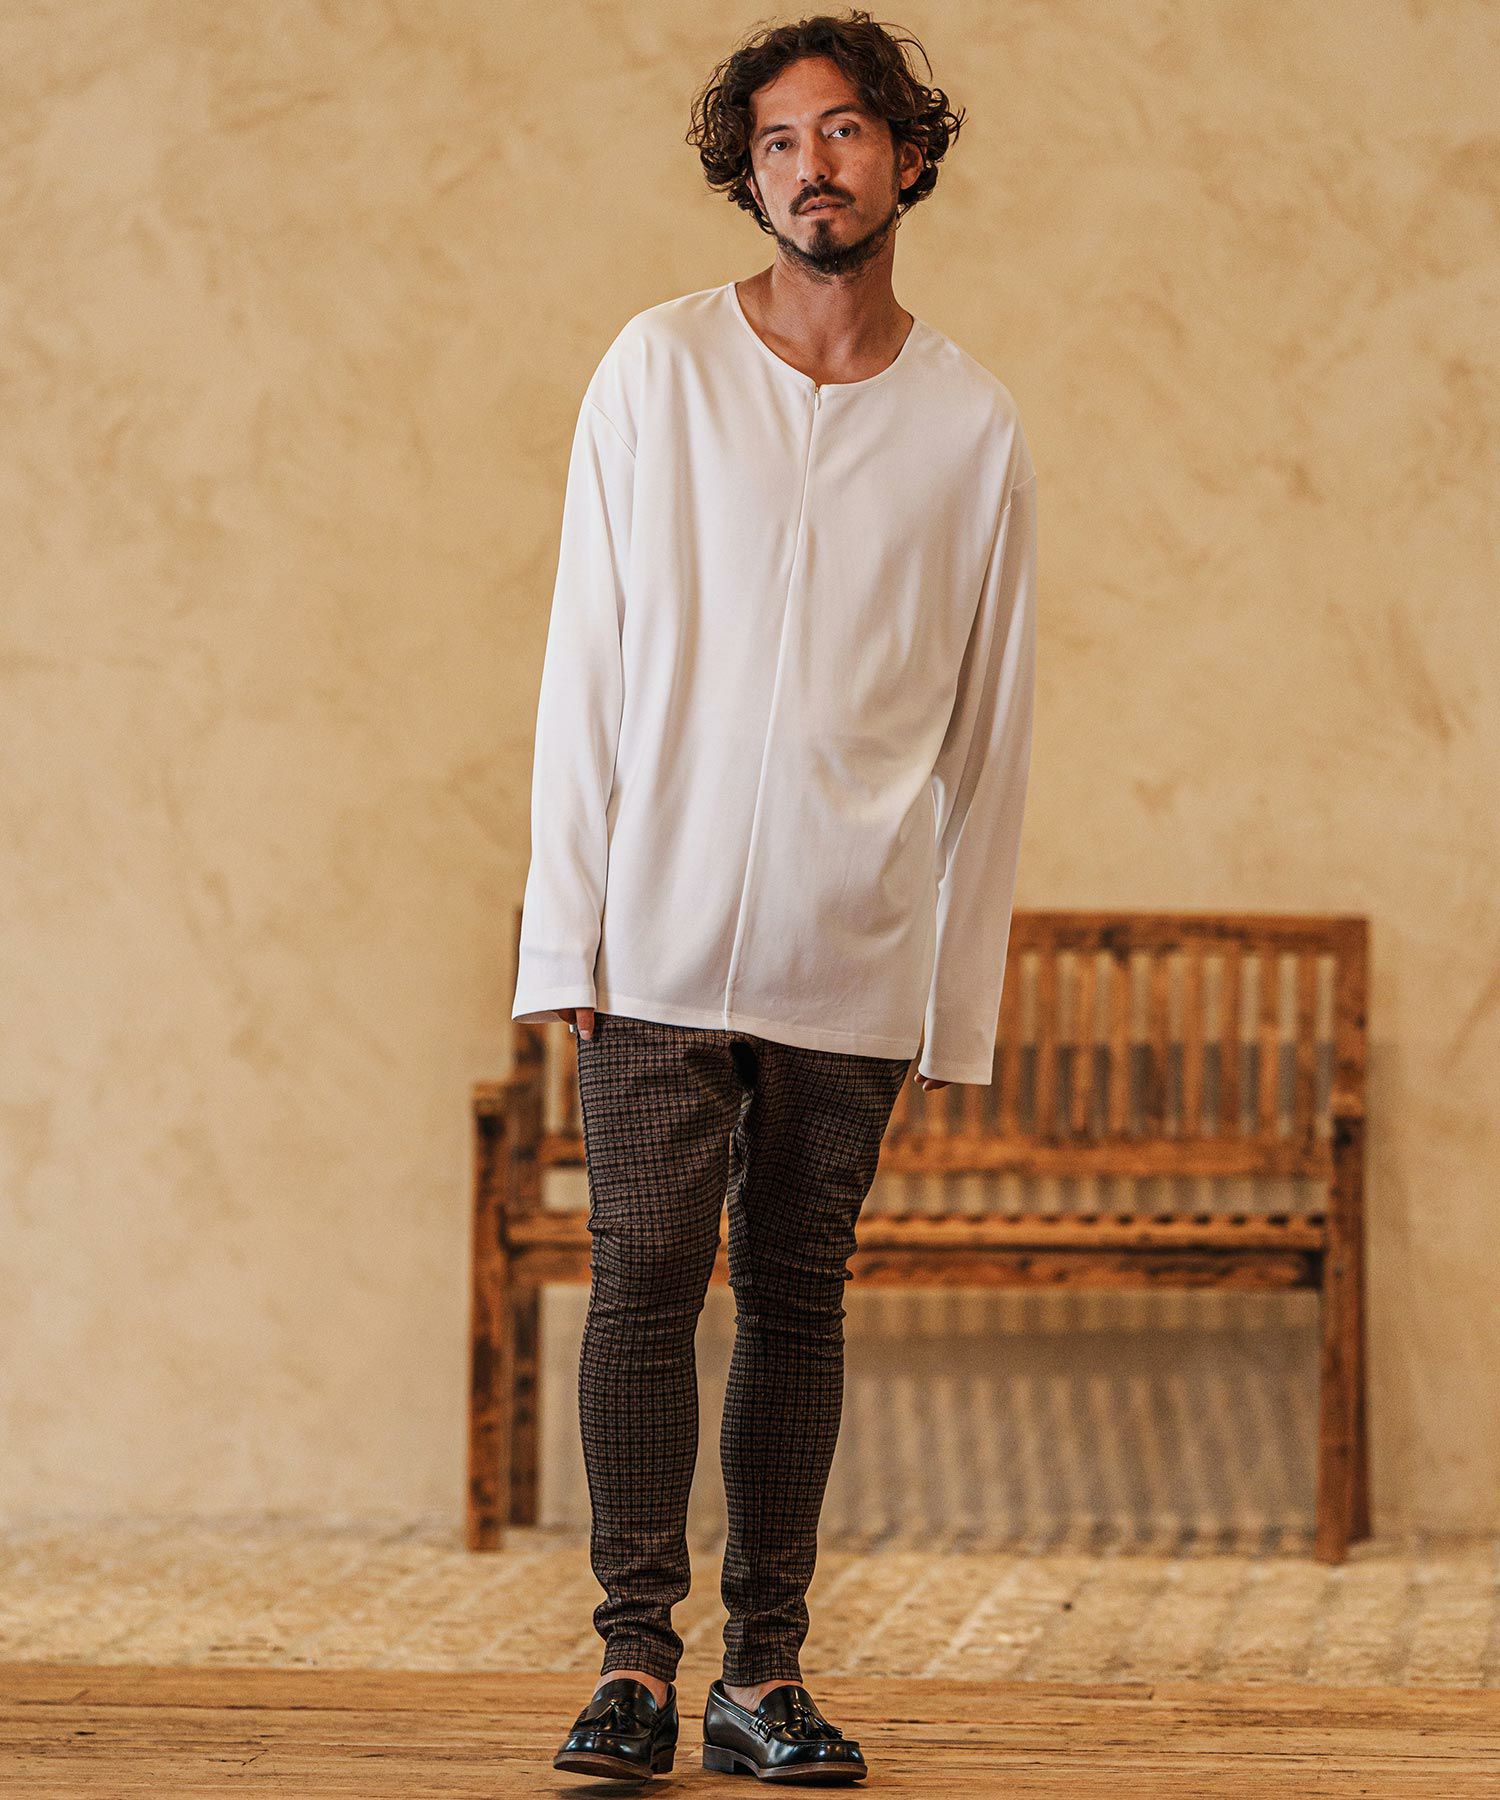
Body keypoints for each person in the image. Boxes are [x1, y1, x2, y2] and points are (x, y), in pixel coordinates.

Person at [517, 10, 1037, 1783]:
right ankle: (633, 1664)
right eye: (777, 142)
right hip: (653, 934)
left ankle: (764, 1675)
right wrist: (564, 928)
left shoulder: (970, 425)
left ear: (907, 153)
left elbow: (993, 728)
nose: (811, 166)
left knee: (800, 1298)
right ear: (747, 177)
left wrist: (954, 1002)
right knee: (645, 1279)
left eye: (844, 131)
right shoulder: (656, 370)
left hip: (850, 945)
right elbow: (585, 660)